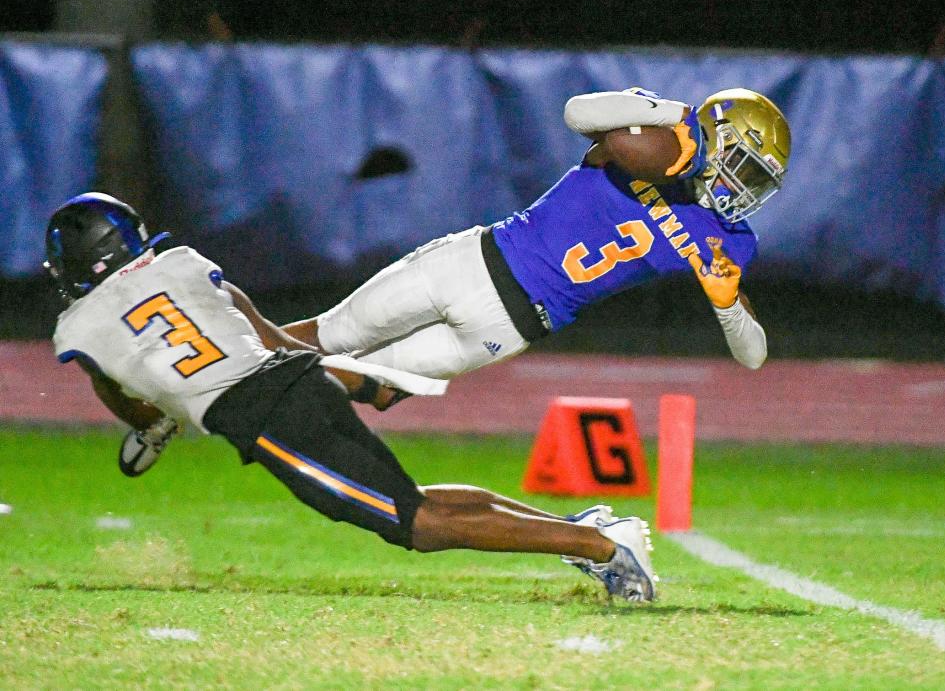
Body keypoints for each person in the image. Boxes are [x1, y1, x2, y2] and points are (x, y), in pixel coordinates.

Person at [46, 192, 658, 602]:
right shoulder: (181, 264)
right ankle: (581, 529)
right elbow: (270, 337)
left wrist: (150, 426)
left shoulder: (79, 328)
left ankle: (602, 546)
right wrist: (356, 380)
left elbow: (122, 393)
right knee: (409, 499)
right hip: (299, 385)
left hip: (260, 416)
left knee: (413, 524)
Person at [283, 86, 791, 383]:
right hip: (474, 266)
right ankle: (225, 363)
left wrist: (727, 304)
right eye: (743, 169)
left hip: (511, 330)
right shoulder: (650, 142)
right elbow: (578, 113)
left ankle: (243, 407)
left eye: (756, 182)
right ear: (718, 141)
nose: (744, 188)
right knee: (327, 335)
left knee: (360, 382)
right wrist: (676, 117)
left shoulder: (730, 241)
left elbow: (754, 357)